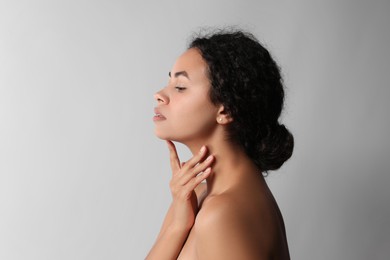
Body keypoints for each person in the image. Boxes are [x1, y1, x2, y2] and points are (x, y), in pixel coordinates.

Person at [146, 29, 294, 260]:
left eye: (180, 87)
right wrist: (177, 226)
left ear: (225, 109)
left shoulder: (222, 213)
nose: (159, 94)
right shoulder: (194, 195)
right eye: (168, 82)